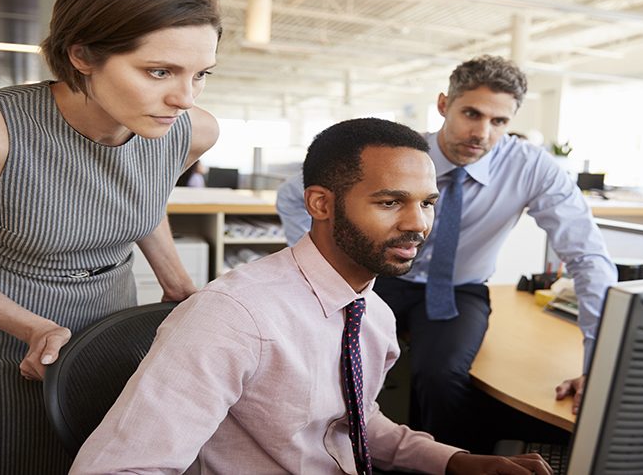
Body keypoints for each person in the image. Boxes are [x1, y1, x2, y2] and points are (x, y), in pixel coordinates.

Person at [70, 118, 552, 475]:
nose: (418, 224)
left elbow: (353, 423)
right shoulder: (234, 317)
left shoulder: (373, 313)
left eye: (426, 203)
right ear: (321, 204)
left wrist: (458, 462)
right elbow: (119, 468)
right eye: (390, 202)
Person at [0, 0, 221, 472]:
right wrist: (29, 326)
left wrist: (177, 284)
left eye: (201, 74)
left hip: (107, 327)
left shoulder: (190, 132)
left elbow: (136, 200)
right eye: (159, 71)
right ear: (82, 56)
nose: (186, 97)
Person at [277, 56, 617, 452]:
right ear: (444, 105)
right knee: (325, 358)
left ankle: (447, 462)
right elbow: (291, 194)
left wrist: (599, 365)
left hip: (459, 288)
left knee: (443, 377)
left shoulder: (531, 167)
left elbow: (587, 257)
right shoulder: (400, 152)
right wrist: (324, 269)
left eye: (499, 122)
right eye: (471, 113)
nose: (482, 133)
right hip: (378, 276)